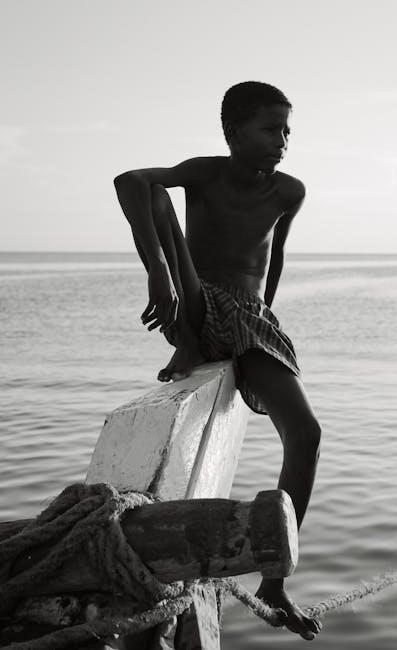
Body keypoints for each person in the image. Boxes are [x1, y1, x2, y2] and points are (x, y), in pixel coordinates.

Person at [114, 81, 322, 641]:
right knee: (154, 190)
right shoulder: (204, 172)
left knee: (306, 434)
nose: (282, 140)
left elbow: (275, 259)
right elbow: (129, 182)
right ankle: (188, 341)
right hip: (196, 300)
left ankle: (274, 582)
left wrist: (265, 319)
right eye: (270, 128)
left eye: (287, 130)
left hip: (251, 320)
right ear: (233, 133)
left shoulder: (289, 191)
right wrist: (159, 272)